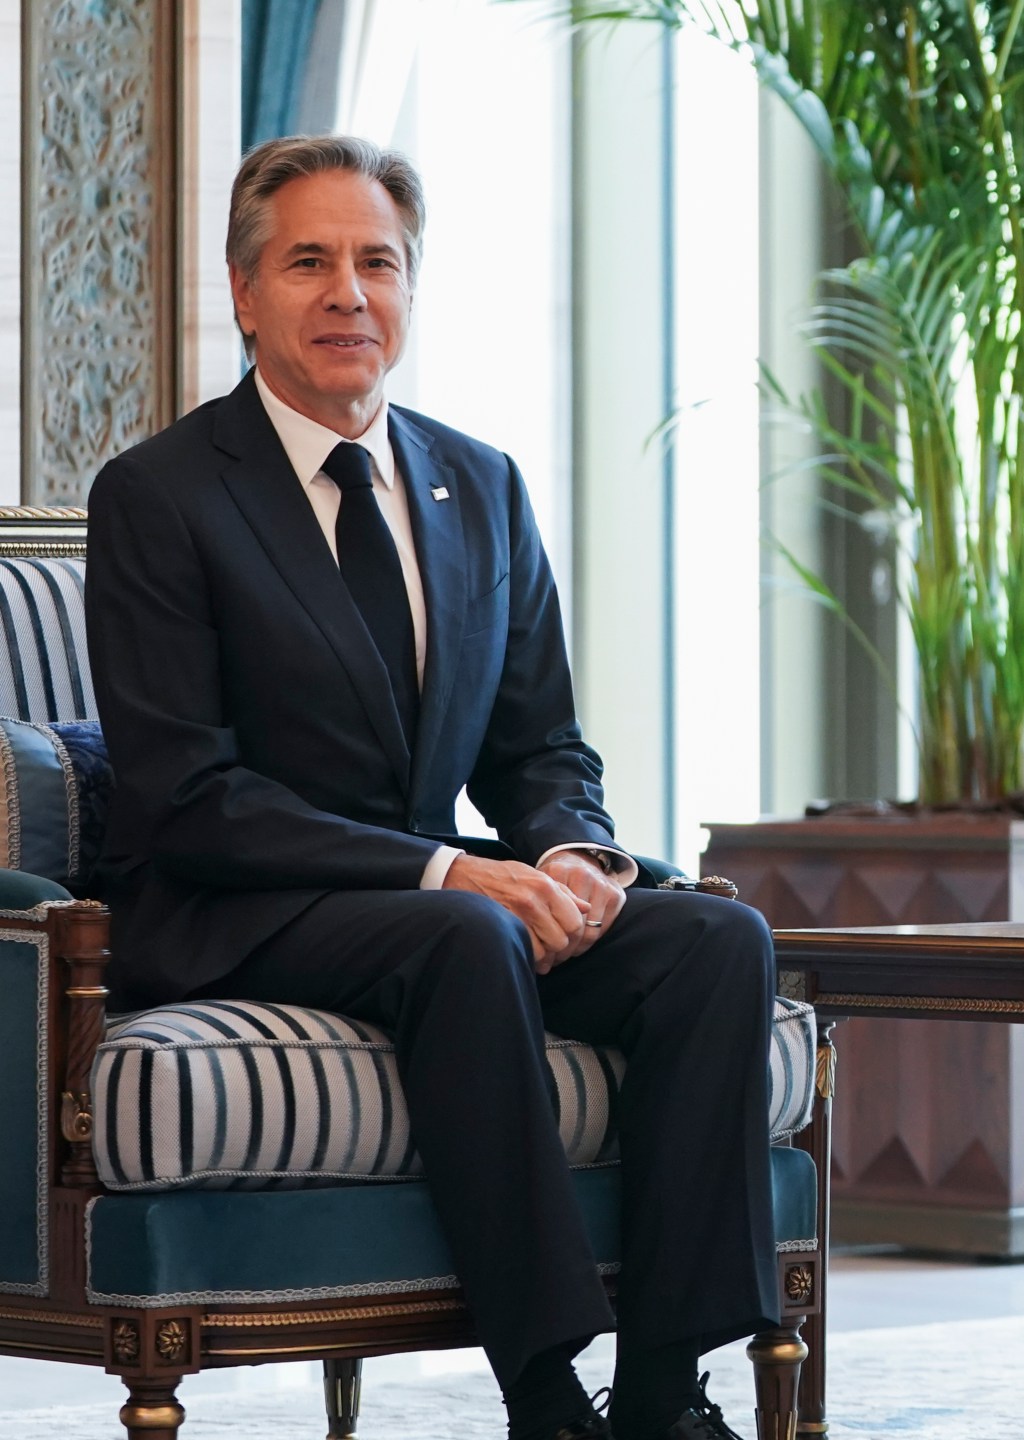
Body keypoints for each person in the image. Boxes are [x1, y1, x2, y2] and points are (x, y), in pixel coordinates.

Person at [86, 135, 779, 1440]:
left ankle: (661, 1390)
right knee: (465, 932)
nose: (349, 292)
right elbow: (186, 793)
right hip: (242, 905)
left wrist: (579, 861)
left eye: (378, 262)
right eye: (309, 262)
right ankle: (542, 1391)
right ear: (245, 292)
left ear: (410, 290)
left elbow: (541, 754)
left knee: (714, 942)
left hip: (429, 906)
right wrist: (454, 869)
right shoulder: (161, 496)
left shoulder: (482, 485)